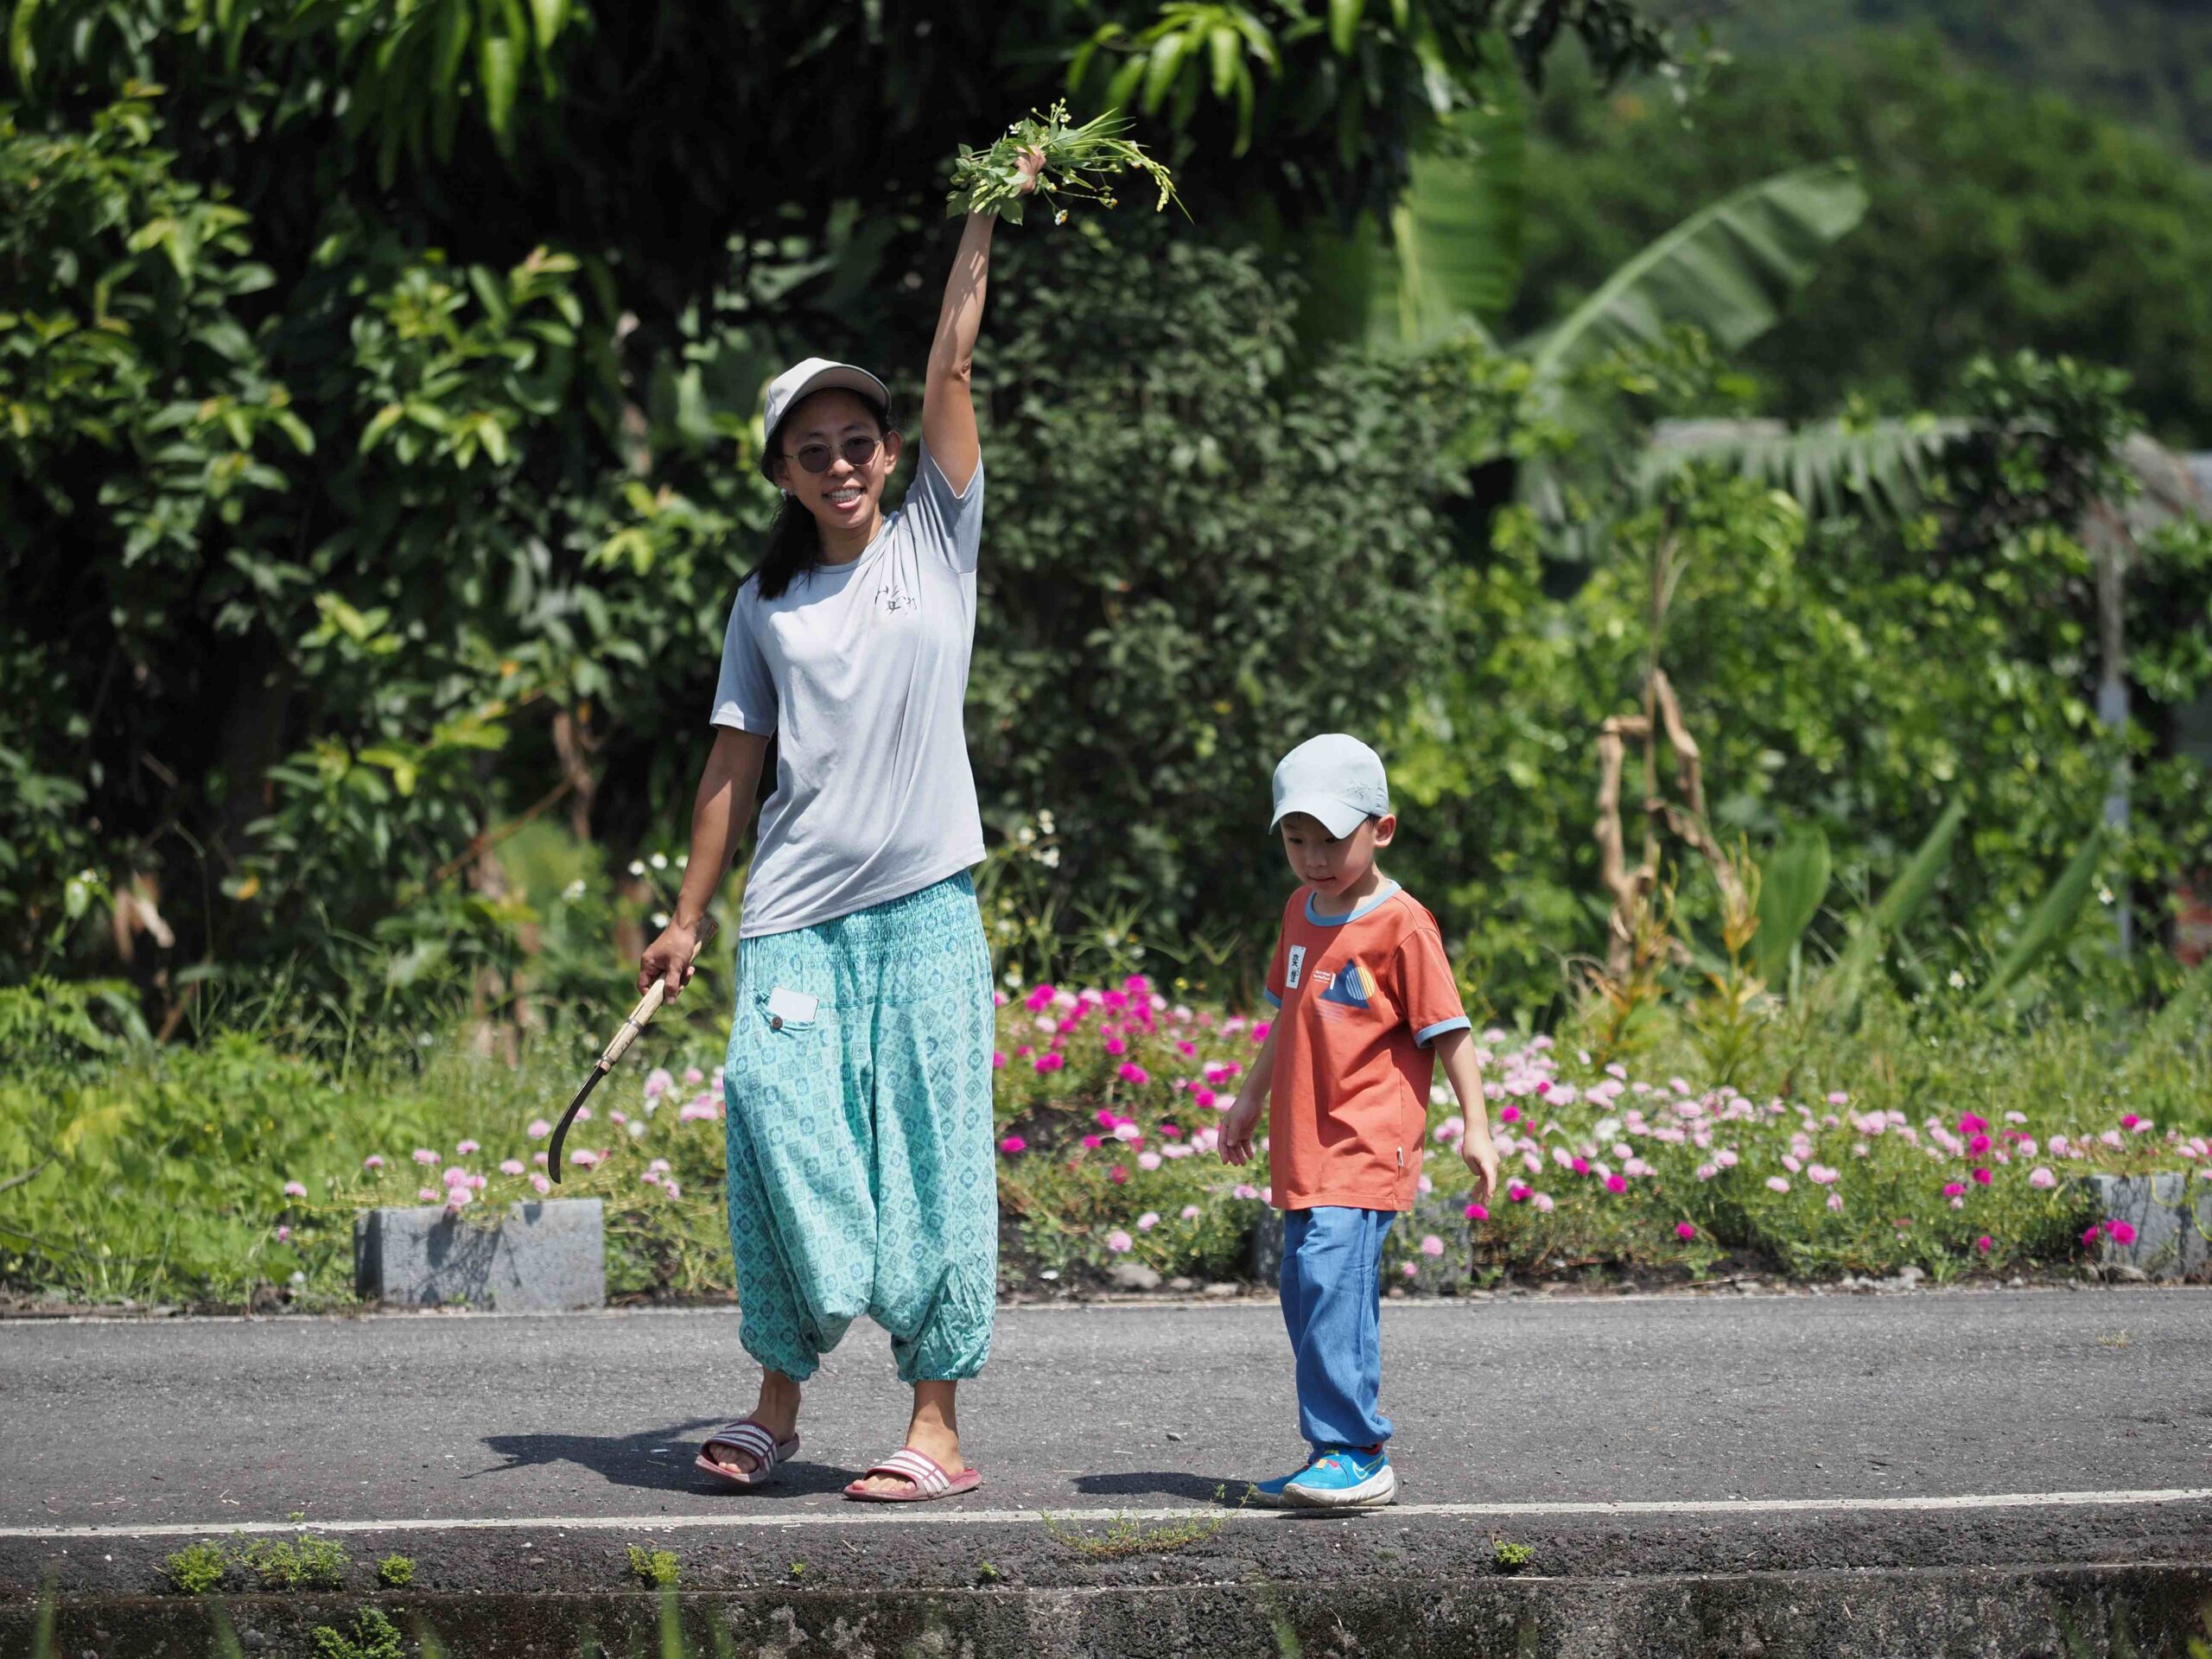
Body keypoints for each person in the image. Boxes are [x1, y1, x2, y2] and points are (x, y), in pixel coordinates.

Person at [638, 151, 1044, 1504]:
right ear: (786, 475)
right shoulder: (766, 607)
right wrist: (688, 917)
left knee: (931, 1144)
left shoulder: (940, 538)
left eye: (858, 441)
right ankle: (782, 1395)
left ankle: (933, 1426)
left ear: (888, 447)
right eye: (812, 453)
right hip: (797, 907)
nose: (842, 463)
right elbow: (731, 767)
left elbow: (950, 371)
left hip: (927, 898)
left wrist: (983, 208)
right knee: (770, 1108)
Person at [1220, 733, 1502, 1509]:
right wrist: (1250, 1098)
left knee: (1330, 1279)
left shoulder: (1403, 925)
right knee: (1305, 1290)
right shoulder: (1299, 912)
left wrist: (1477, 1127)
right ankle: (1336, 1450)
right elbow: (1289, 1016)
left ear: (1381, 829)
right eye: (1296, 839)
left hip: (1368, 1141)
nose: (1313, 857)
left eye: (1331, 840)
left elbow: (1451, 1031)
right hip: (1304, 1146)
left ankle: (1354, 1450)